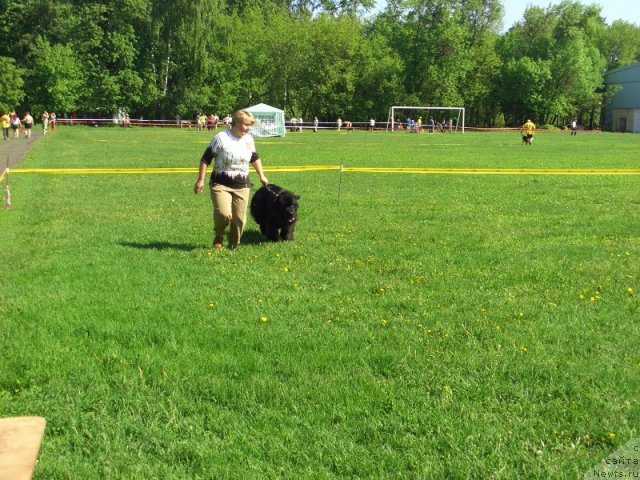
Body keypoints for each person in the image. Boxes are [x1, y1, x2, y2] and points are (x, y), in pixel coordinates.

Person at [194, 109, 269, 249]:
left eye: (250, 125)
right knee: (223, 213)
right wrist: (200, 180)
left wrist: (261, 175)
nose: (248, 128)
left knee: (239, 219)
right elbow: (205, 159)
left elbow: (254, 158)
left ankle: (233, 246)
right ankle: (219, 234)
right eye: (246, 125)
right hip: (220, 183)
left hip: (242, 184)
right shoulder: (221, 138)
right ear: (236, 123)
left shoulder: (248, 139)